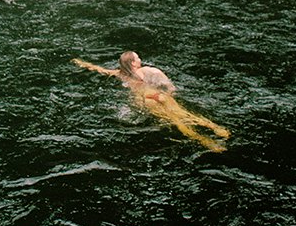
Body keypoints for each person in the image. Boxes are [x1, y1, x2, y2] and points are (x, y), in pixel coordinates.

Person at [72, 51, 230, 151]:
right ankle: (217, 129)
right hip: (157, 95)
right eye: (137, 57)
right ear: (133, 63)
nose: (140, 59)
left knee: (176, 122)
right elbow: (169, 86)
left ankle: (207, 143)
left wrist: (81, 63)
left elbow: (99, 69)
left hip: (145, 100)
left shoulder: (120, 74)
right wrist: (170, 94)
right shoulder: (148, 70)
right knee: (185, 114)